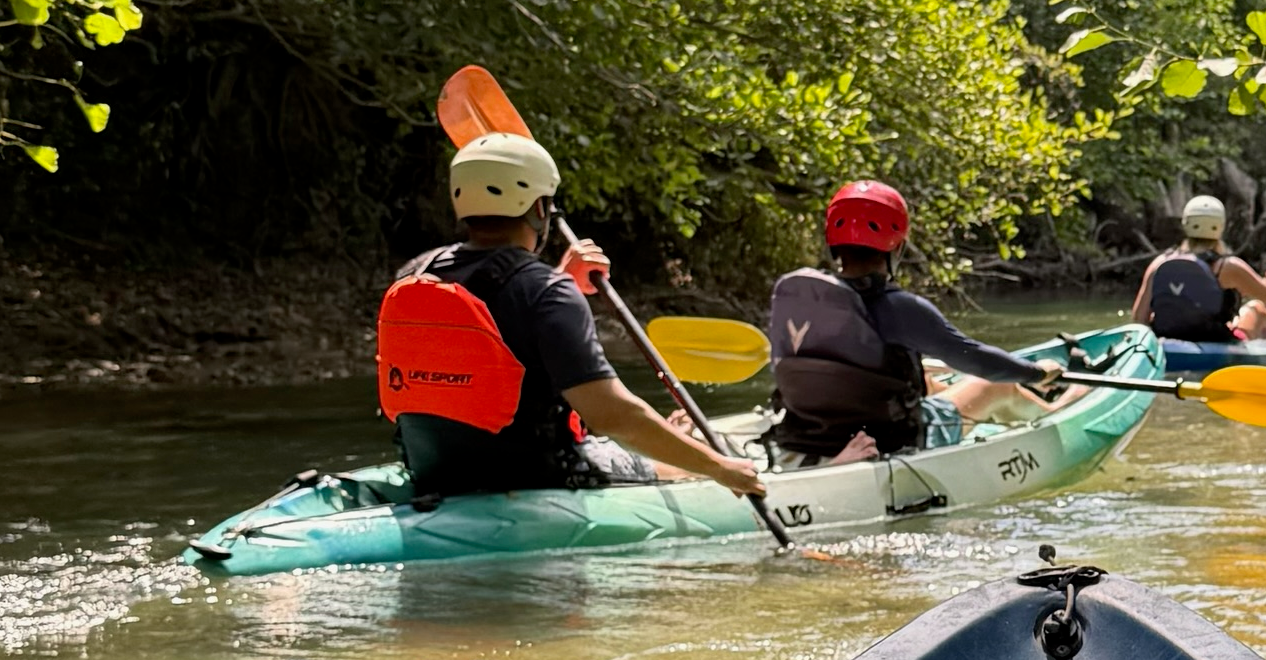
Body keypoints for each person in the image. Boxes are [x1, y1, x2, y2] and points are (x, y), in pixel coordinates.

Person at [377, 131, 764, 501]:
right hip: (537, 477)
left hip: (433, 472)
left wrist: (561, 282)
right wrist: (719, 467)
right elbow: (613, 416)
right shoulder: (545, 292)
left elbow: (494, 324)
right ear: (540, 208)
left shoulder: (416, 273)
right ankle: (691, 451)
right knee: (683, 466)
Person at [765, 180, 1069, 466]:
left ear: (833, 241)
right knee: (994, 387)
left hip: (811, 437)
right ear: (897, 247)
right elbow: (976, 360)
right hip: (889, 440)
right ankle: (1061, 413)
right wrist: (1036, 372)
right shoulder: (901, 308)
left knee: (927, 380)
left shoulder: (813, 305)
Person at [1132, 194, 1266, 342]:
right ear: (1220, 227)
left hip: (1166, 340)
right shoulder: (1228, 267)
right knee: (1256, 308)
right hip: (1216, 342)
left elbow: (1139, 318)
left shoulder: (1160, 262)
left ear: (1186, 224)